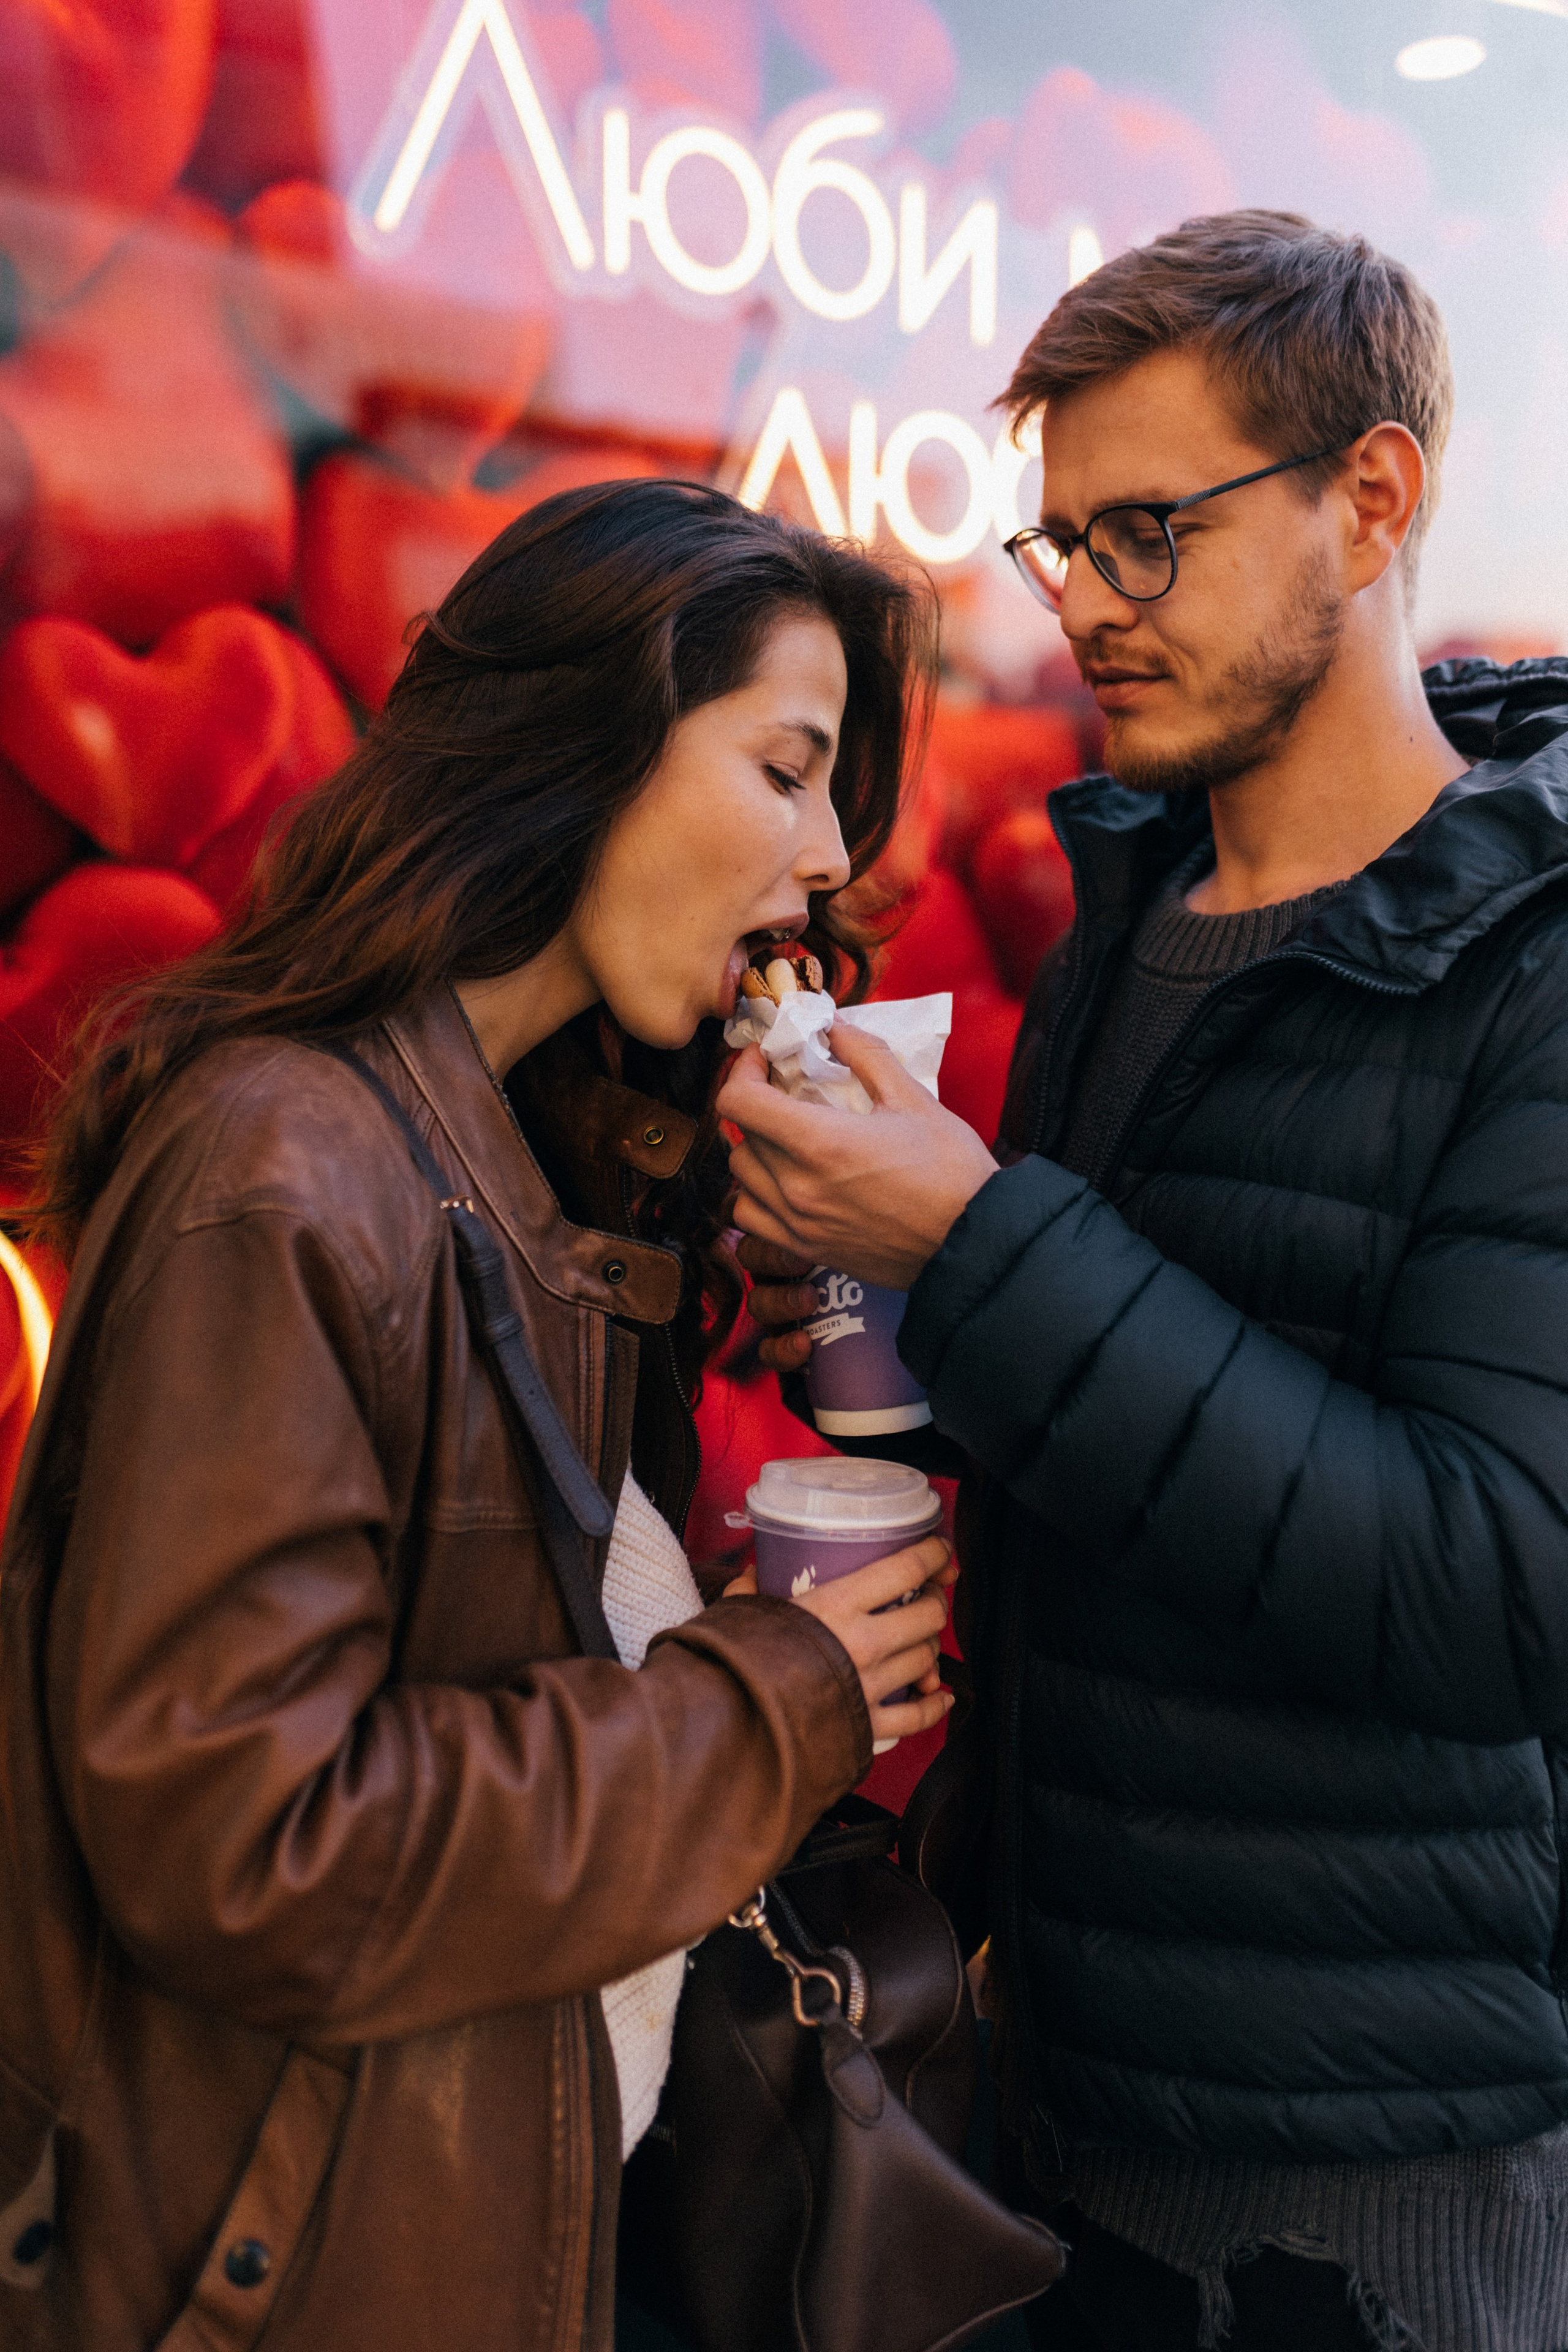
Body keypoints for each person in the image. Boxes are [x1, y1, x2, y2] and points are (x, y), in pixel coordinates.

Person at [725, 212, 1568, 2350]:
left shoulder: (1539, 973)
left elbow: (1489, 1583)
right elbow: (1125, 1414)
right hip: (1061, 2077)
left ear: (1368, 501)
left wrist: (975, 1240)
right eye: (1061, 545)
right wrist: (859, 1281)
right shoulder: (1133, 897)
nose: (1086, 604)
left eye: (1149, 536)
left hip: (1373, 2170)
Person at [0, 478, 958, 2352]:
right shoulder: (290, 1167)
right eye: (786, 769)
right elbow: (249, 1851)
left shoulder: (508, 1174)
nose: (831, 858)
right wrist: (771, 1698)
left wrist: (692, 1271)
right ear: (582, 747)